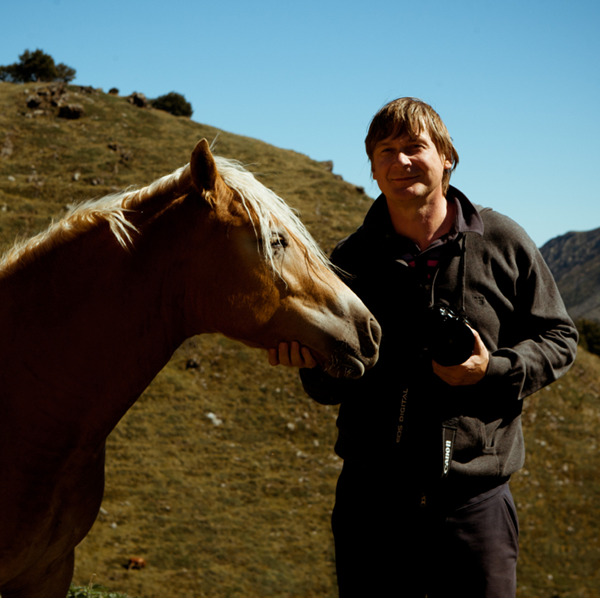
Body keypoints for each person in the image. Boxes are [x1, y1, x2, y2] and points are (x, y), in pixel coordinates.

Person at [268, 97, 578, 598]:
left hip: (475, 504)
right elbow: (329, 385)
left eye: (415, 147)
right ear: (371, 168)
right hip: (372, 504)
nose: (400, 161)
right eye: (386, 150)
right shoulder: (348, 262)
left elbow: (560, 339)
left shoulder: (502, 240)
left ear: (447, 157)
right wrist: (310, 364)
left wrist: (492, 370)